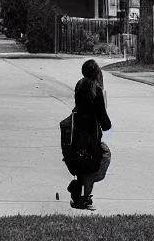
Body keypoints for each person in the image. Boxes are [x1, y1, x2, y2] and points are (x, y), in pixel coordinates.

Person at [67, 58, 112, 210]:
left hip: (78, 130)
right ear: (97, 73)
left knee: (81, 163)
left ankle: (78, 195)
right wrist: (107, 125)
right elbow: (102, 116)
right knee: (95, 163)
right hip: (90, 133)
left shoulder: (80, 84)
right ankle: (85, 197)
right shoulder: (96, 90)